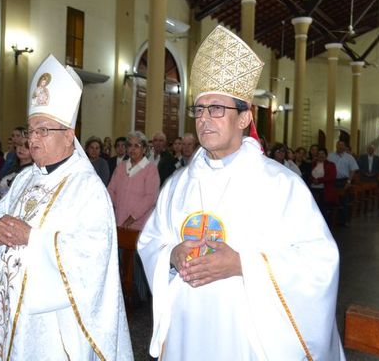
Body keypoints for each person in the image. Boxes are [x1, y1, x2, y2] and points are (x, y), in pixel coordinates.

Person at [137, 26, 344, 360]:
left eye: (216, 109)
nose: (204, 119)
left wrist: (242, 264)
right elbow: (152, 242)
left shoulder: (280, 185)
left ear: (245, 117)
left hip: (247, 335)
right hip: (185, 330)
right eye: (199, 110)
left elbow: (319, 262)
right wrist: (171, 256)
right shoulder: (177, 184)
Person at [0, 54, 132, 360]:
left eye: (43, 130)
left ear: (69, 136)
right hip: (10, 305)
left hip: (55, 320)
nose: (33, 139)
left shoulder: (87, 187)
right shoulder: (24, 179)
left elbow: (93, 255)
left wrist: (32, 238)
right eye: (30, 130)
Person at [108, 131, 160, 230]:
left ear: (144, 149)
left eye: (137, 146)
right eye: (130, 145)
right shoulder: (121, 167)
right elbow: (111, 190)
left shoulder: (151, 169)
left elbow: (150, 198)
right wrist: (115, 207)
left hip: (139, 224)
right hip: (118, 221)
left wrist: (132, 217)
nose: (132, 149)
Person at [327, 140, 359, 227]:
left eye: (342, 145)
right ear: (336, 146)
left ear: (345, 147)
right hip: (332, 180)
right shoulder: (330, 156)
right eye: (338, 145)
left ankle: (343, 221)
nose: (340, 147)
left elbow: (353, 170)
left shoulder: (349, 157)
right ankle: (331, 220)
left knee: (343, 201)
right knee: (332, 200)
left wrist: (349, 181)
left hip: (344, 181)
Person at [310, 148, 338, 223]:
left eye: (323, 154)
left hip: (325, 190)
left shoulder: (331, 164)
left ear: (326, 155)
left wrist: (319, 180)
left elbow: (332, 176)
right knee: (314, 208)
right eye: (319, 154)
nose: (321, 155)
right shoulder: (313, 164)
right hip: (313, 188)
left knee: (324, 209)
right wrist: (313, 179)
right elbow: (309, 174)